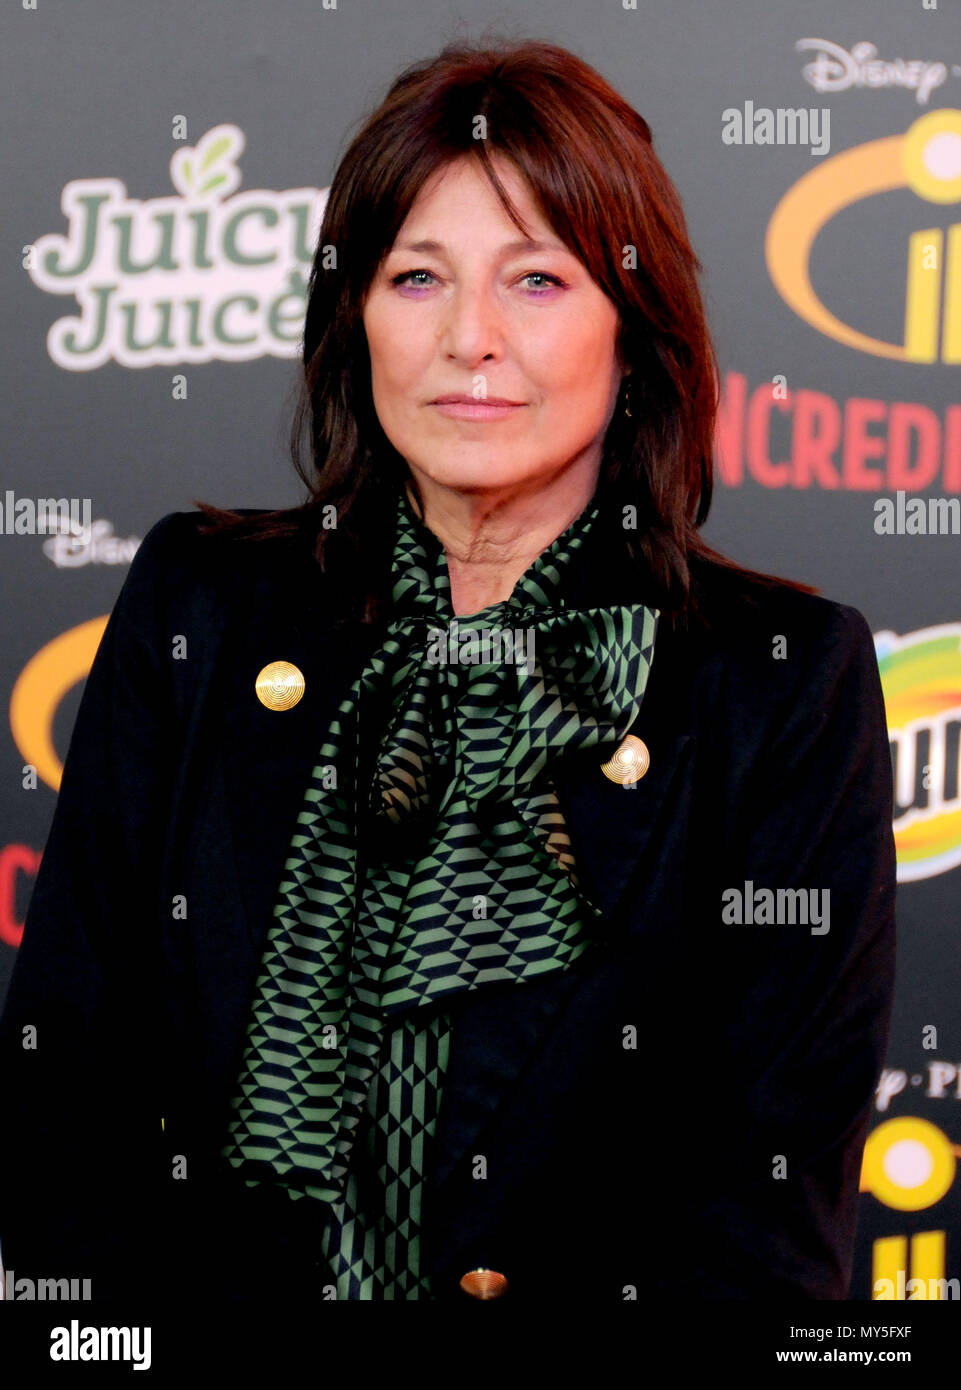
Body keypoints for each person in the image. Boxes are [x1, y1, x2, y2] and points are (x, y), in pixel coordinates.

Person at [0, 39, 895, 1305]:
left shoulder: (775, 682)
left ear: (632, 335)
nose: (470, 339)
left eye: (536, 280)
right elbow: (63, 1102)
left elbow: (763, 1221)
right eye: (417, 276)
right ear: (354, 314)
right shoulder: (199, 604)